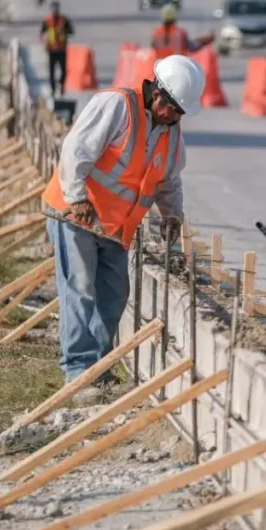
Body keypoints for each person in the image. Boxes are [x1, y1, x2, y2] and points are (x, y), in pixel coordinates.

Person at [41, 55, 206, 403]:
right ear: (156, 92)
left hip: (115, 230)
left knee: (114, 297)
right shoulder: (118, 106)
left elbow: (169, 181)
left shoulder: (172, 137)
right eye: (171, 108)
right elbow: (76, 150)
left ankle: (98, 370)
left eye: (180, 113)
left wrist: (172, 215)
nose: (173, 117)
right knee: (81, 290)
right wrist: (77, 197)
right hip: (76, 215)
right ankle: (77, 373)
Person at [40, 1, 74, 96]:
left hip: (62, 49)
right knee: (51, 71)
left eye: (56, 8)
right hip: (51, 50)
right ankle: (53, 89)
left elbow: (71, 31)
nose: (55, 10)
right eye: (53, 8)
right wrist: (44, 42)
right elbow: (41, 33)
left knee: (63, 70)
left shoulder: (64, 20)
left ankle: (62, 86)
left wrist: (65, 31)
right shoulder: (47, 20)